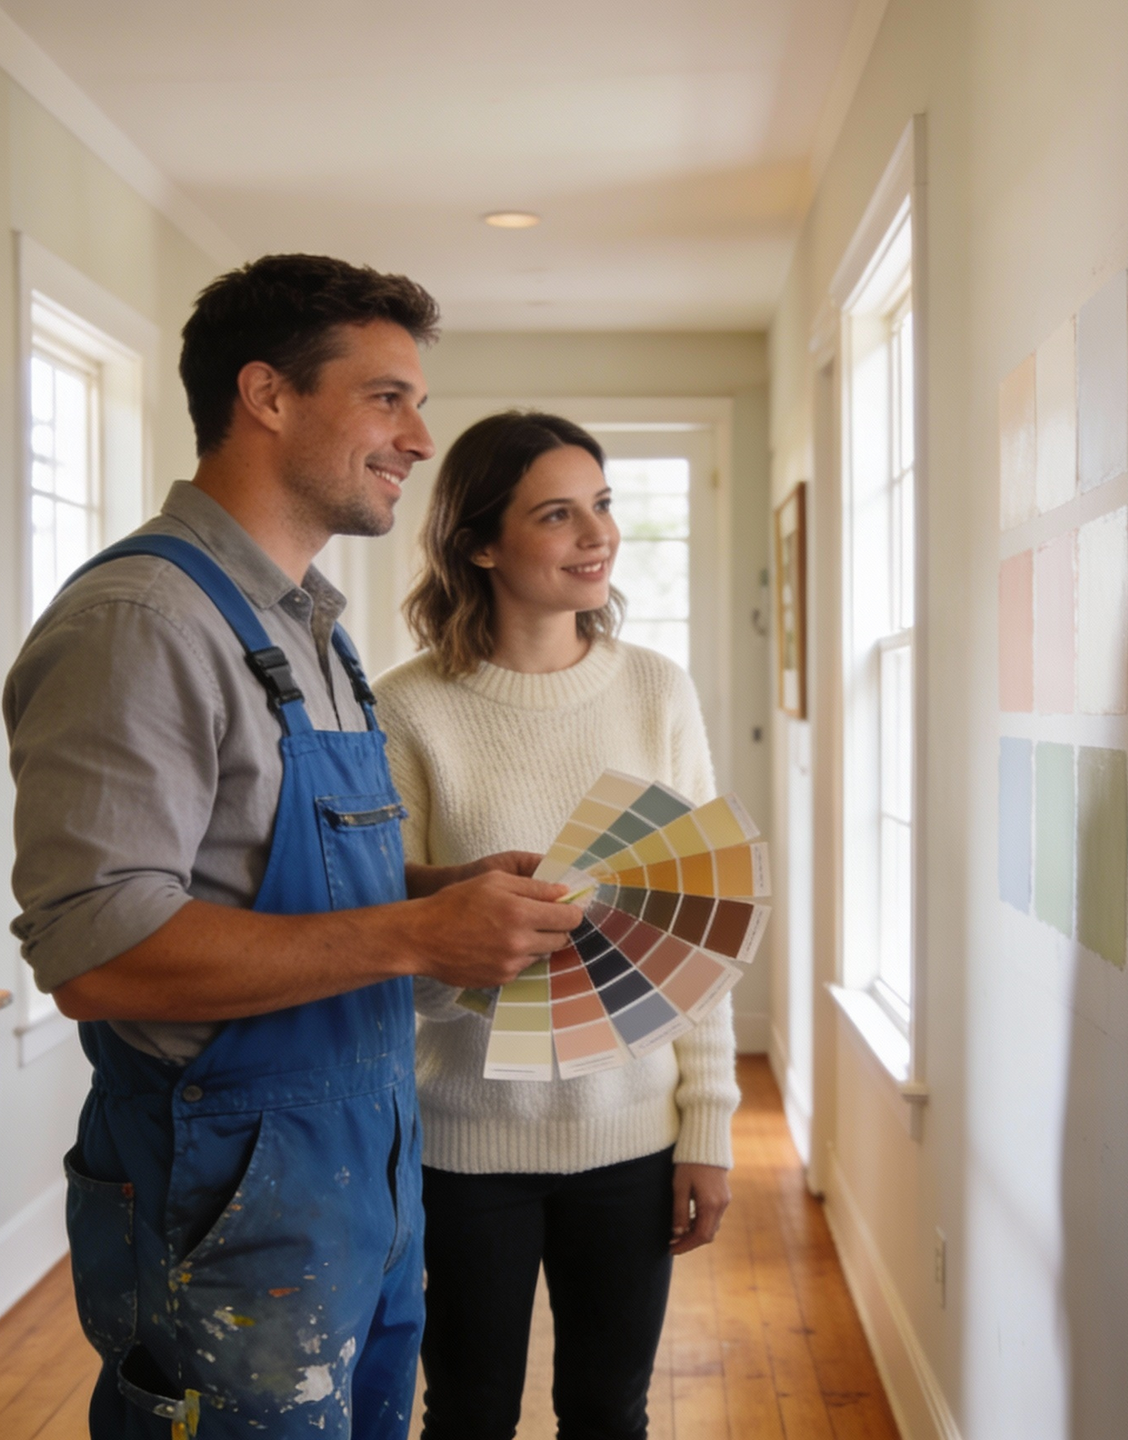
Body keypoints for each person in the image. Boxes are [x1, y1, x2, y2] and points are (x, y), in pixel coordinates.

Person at [3, 257, 584, 1440]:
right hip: (228, 1202)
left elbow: (278, 870)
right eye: (388, 398)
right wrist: (421, 934)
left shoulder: (310, 626)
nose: (421, 437)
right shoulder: (141, 623)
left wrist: (439, 890)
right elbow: (99, 958)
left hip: (358, 1176)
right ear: (266, 395)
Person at [373, 411, 741, 1440]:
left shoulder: (656, 690)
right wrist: (469, 945)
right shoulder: (405, 710)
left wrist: (707, 1127)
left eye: (604, 504)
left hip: (631, 1138)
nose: (599, 534)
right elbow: (383, 940)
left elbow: (704, 930)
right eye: (558, 513)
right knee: (468, 1416)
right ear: (481, 543)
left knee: (608, 1413)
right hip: (459, 1142)